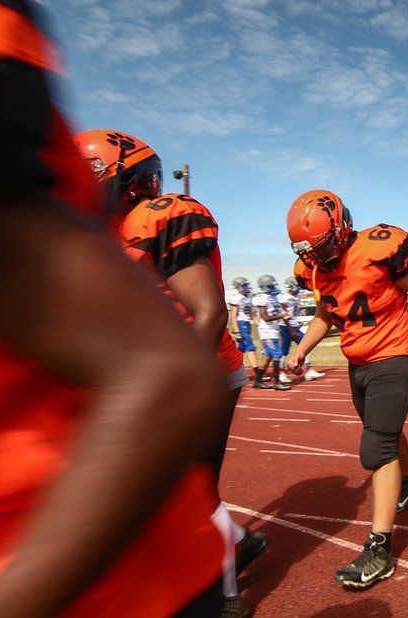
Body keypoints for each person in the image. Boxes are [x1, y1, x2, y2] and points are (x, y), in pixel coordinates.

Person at [0, 0, 227, 614]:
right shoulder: (109, 222)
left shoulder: (164, 214)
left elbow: (174, 359)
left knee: (203, 492)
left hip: (88, 552)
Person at [73, 129, 265, 615]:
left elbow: (208, 312)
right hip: (163, 371)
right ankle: (234, 544)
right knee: (177, 490)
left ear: (126, 176)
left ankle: (224, 592)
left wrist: (170, 396)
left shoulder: (161, 215)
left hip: (202, 367)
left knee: (188, 487)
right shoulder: (109, 235)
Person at [284, 189, 408, 589]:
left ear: (342, 227)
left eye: (322, 246)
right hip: (358, 362)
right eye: (310, 251)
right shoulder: (314, 269)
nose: (317, 257)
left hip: (395, 354)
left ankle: (379, 548)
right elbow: (325, 313)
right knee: (384, 431)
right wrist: (301, 348)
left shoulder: (378, 248)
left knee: (376, 447)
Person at [276, 276, 326, 384]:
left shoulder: (294, 297)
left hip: (293, 325)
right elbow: (284, 315)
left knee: (304, 345)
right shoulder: (284, 298)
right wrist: (291, 329)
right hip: (287, 327)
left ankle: (307, 370)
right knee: (285, 350)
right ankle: (281, 373)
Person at [251, 274, 291, 391]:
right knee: (277, 354)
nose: (274, 287)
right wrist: (281, 315)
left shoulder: (272, 297)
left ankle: (258, 381)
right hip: (267, 331)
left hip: (273, 330)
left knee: (268, 356)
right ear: (266, 286)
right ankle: (277, 382)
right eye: (271, 285)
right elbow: (265, 317)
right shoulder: (261, 298)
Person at [227, 277, 258, 368]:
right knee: (250, 347)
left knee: (242, 349)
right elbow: (233, 316)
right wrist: (237, 331)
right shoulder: (236, 298)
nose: (246, 287)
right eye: (244, 285)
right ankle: (258, 374)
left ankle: (234, 368)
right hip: (241, 324)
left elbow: (252, 314)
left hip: (247, 324)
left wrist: (260, 325)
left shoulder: (248, 298)